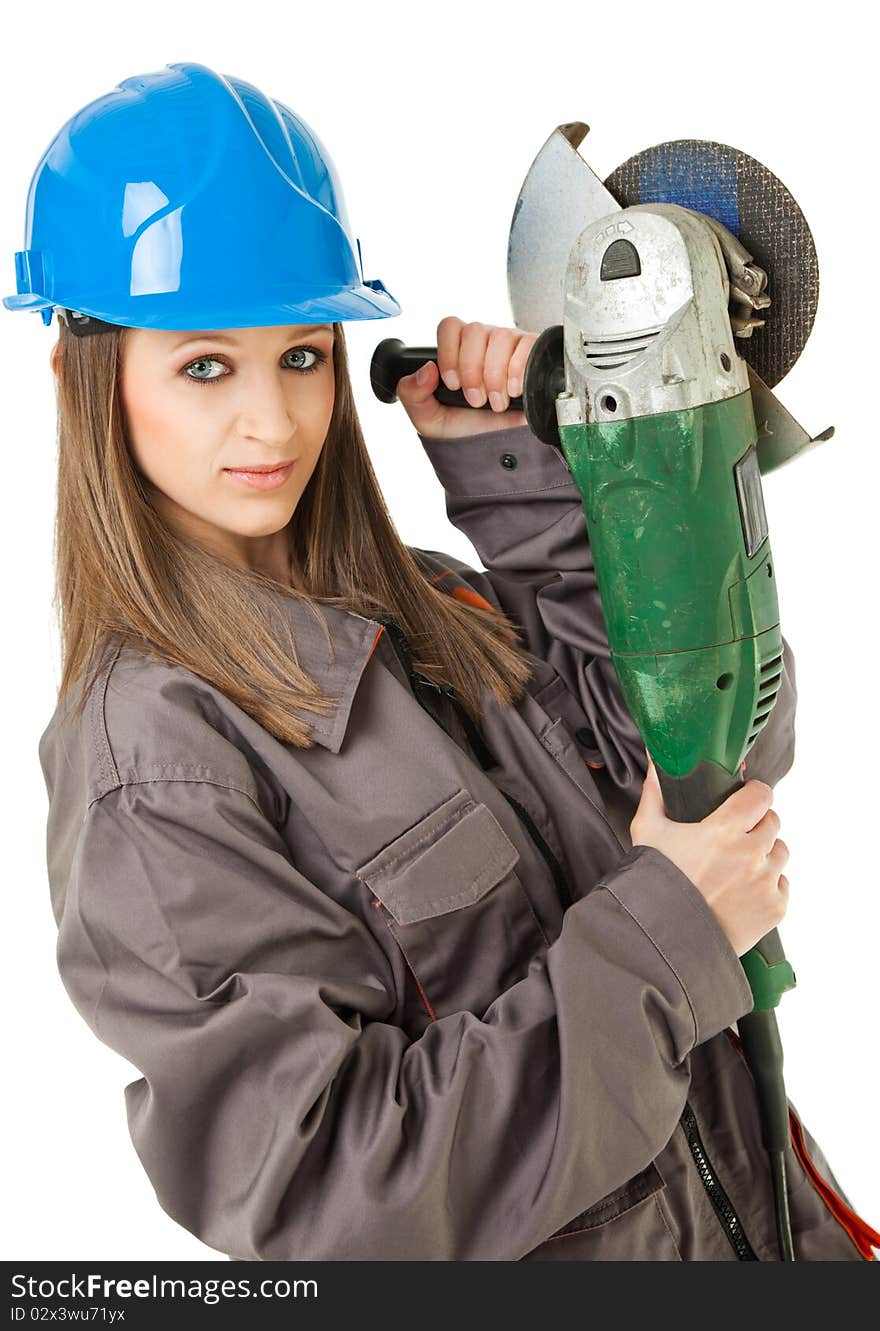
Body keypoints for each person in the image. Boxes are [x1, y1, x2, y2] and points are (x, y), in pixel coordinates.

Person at [10, 61, 878, 1262]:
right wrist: (669, 931)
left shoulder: (426, 601)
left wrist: (526, 490)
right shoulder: (155, 764)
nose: (270, 421)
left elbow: (704, 764)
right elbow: (340, 1197)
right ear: (82, 378)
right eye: (205, 365)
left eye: (302, 355)